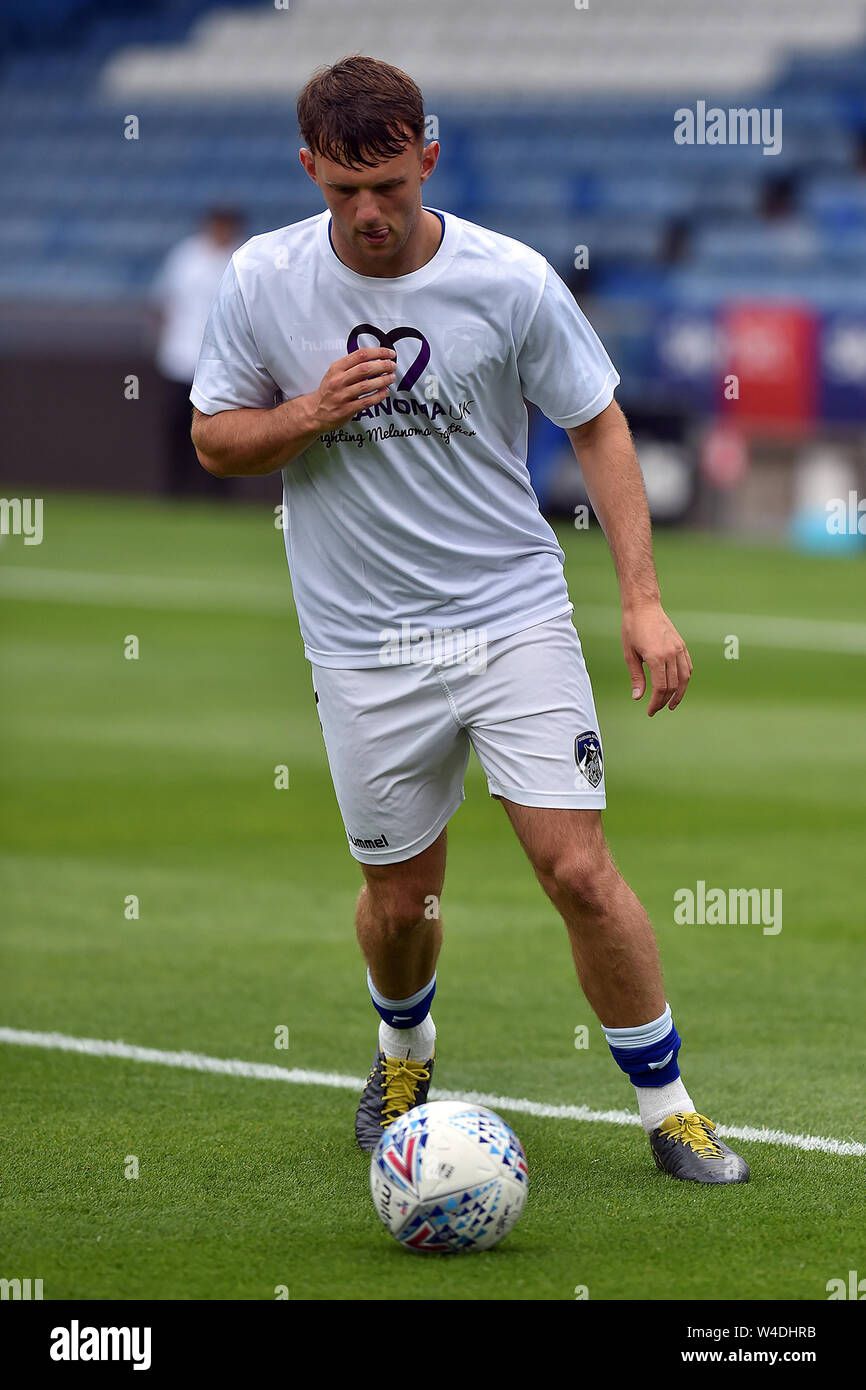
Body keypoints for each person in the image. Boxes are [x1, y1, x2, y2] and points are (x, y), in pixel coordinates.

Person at [190, 56, 749, 1185]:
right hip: (361, 641)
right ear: (307, 169)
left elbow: (596, 422)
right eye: (344, 189)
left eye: (389, 183)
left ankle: (671, 1108)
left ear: (426, 159)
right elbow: (213, 439)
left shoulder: (510, 281)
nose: (369, 212)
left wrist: (639, 599)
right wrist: (307, 411)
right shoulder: (261, 281)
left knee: (576, 868)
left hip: (509, 615)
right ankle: (404, 1052)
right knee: (400, 896)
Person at [152, 207, 243, 496]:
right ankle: (175, 489)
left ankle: (219, 493)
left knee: (222, 428)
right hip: (181, 357)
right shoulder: (186, 256)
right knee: (178, 426)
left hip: (222, 361)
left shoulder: (241, 258)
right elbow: (163, 301)